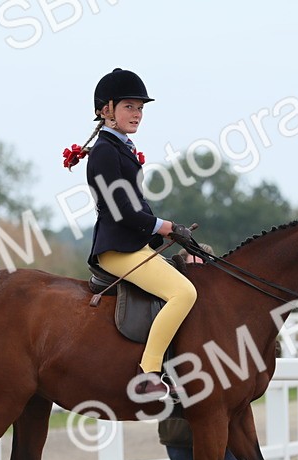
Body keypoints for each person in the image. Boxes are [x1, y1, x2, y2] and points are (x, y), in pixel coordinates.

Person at [68, 67, 196, 398]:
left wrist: (164, 235)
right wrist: (166, 226)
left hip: (132, 245)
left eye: (140, 108)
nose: (137, 114)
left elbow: (138, 206)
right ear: (105, 110)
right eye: (129, 106)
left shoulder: (119, 148)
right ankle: (149, 370)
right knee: (184, 293)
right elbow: (122, 211)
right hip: (116, 251)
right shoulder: (105, 152)